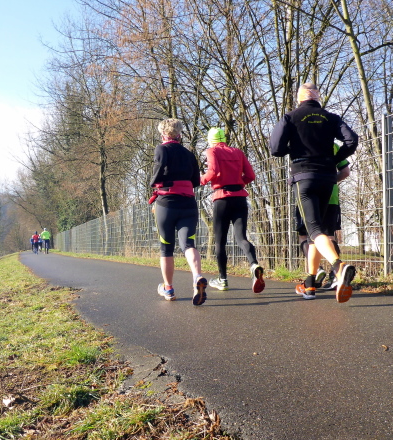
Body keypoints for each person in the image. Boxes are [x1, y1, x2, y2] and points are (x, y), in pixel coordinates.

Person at [270, 82, 358, 302]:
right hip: (327, 178)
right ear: (317, 97)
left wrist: (294, 148)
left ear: (299, 98)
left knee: (314, 230)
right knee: (316, 232)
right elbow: (352, 140)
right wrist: (333, 159)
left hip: (304, 177)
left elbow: (276, 149)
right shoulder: (331, 118)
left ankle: (338, 267)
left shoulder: (290, 117)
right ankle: (310, 284)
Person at [149, 118, 208, 305]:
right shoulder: (189, 154)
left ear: (163, 134)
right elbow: (196, 181)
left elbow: (158, 168)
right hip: (188, 204)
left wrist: (153, 183)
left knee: (166, 247)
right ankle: (197, 277)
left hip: (166, 204)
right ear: (179, 134)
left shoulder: (162, 149)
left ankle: (168, 288)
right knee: (188, 244)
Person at [200, 127, 264, 293]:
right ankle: (254, 264)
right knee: (241, 238)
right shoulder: (238, 152)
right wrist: (238, 182)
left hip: (221, 198)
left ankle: (223, 280)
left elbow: (213, 171)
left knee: (220, 241)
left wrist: (202, 179)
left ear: (211, 140)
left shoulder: (212, 151)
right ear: (224, 139)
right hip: (240, 198)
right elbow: (250, 176)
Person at [296, 145, 350, 291]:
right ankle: (335, 277)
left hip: (307, 194)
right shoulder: (333, 145)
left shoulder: (300, 143)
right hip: (330, 195)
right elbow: (345, 171)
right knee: (328, 236)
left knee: (306, 235)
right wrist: (330, 180)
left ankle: (316, 271)